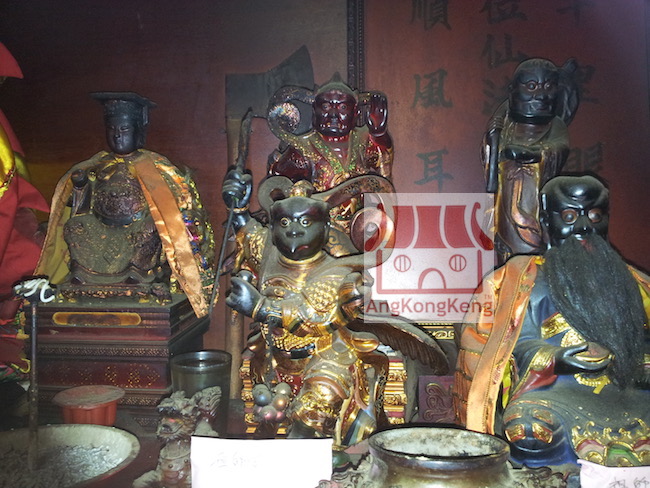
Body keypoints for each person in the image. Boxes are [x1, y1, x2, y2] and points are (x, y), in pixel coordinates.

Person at [453, 175, 650, 468]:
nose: (583, 227)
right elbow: (507, 346)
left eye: (594, 216)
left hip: (626, 393)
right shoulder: (520, 281)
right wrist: (556, 359)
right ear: (546, 222)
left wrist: (636, 362)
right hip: (555, 394)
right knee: (527, 429)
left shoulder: (635, 283)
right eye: (569, 216)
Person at [36, 92, 215, 318]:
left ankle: (138, 273)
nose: (117, 135)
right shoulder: (96, 165)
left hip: (137, 227)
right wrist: (80, 186)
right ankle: (83, 274)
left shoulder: (156, 167)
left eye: (124, 129)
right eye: (112, 129)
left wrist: (157, 218)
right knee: (75, 227)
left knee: (150, 229)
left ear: (138, 131)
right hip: (100, 227)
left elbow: (170, 206)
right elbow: (80, 207)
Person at [267, 73, 393, 232]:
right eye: (326, 107)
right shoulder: (303, 148)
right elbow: (276, 187)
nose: (333, 115)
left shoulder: (363, 141)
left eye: (343, 108)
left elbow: (382, 169)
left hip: (359, 227)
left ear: (355, 113)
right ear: (315, 111)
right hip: (318, 232)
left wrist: (379, 134)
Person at [482, 58, 578, 263]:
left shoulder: (555, 125)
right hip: (508, 194)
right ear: (514, 90)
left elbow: (558, 148)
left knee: (535, 245)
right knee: (506, 245)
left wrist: (534, 154)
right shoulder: (505, 124)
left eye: (548, 87)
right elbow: (493, 155)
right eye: (532, 86)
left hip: (534, 197)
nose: (541, 95)